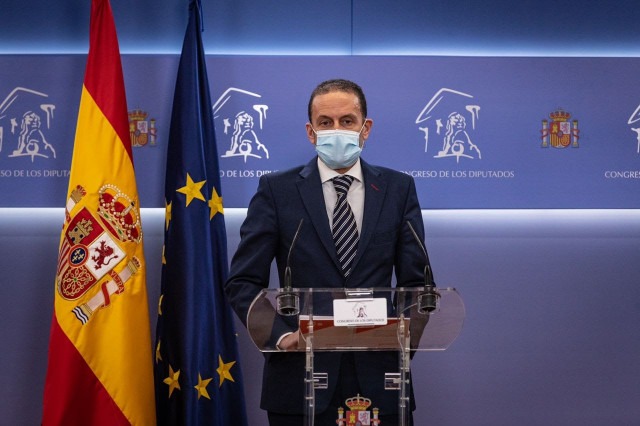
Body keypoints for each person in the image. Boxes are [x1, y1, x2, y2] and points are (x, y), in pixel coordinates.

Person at [225, 79, 431, 425]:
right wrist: (280, 336)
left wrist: (402, 339)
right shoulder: (277, 191)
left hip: (381, 376)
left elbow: (419, 284)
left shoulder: (398, 189)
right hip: (299, 376)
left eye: (347, 121)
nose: (337, 130)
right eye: (326, 122)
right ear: (311, 131)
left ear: (366, 129)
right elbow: (243, 282)